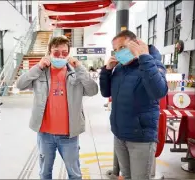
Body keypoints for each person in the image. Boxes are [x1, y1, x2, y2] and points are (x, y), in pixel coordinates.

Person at [16, 36, 99, 179]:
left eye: (64, 52)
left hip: (69, 134)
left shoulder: (76, 73)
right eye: (56, 52)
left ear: (69, 53)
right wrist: (38, 66)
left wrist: (80, 67)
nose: (61, 56)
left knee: (74, 174)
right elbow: (20, 84)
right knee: (44, 173)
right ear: (49, 53)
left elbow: (93, 90)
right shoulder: (40, 73)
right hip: (45, 134)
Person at [99, 30, 168, 179]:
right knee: (127, 176)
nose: (118, 53)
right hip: (120, 134)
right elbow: (106, 93)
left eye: (122, 48)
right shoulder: (120, 68)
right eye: (116, 50)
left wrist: (144, 57)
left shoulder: (152, 63)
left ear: (136, 44)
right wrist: (107, 71)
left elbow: (159, 92)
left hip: (141, 137)